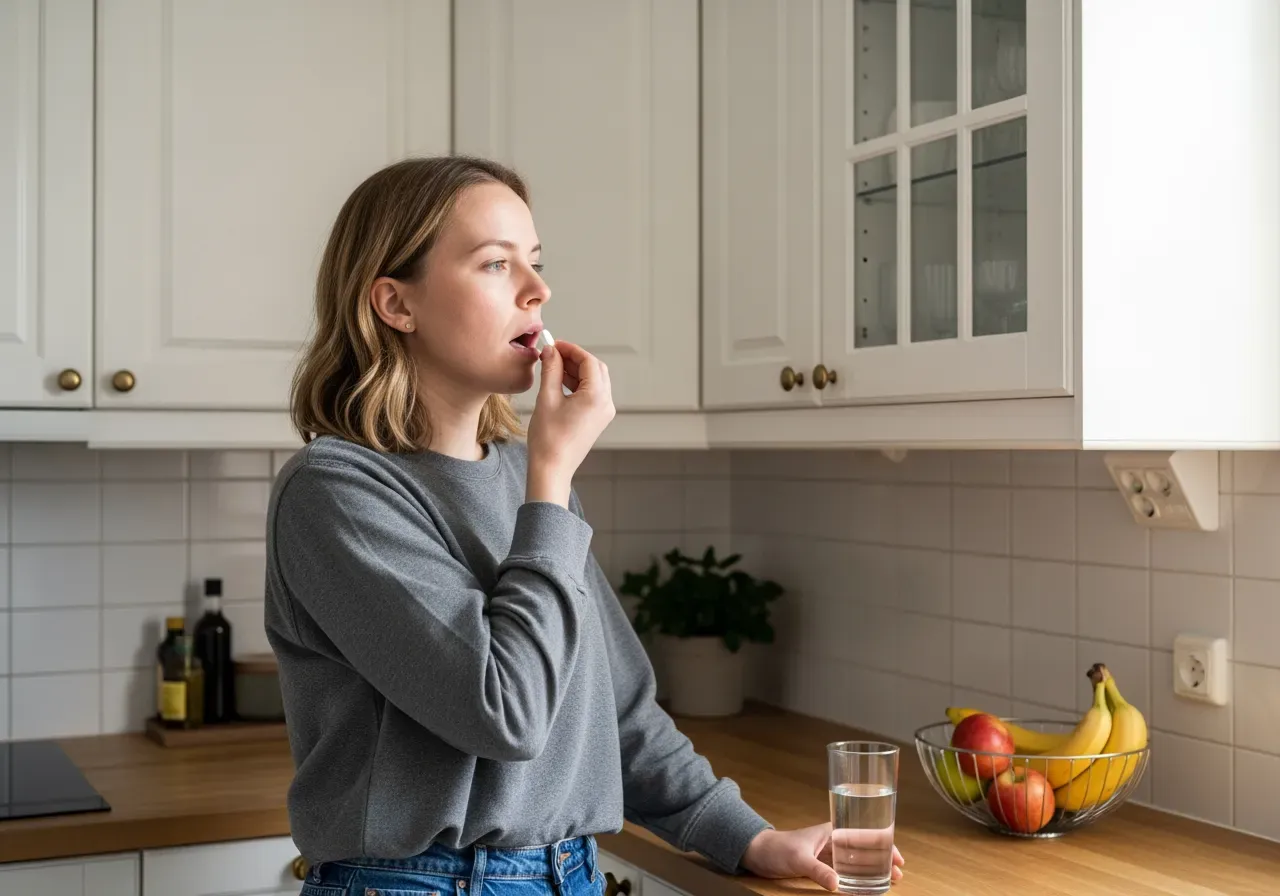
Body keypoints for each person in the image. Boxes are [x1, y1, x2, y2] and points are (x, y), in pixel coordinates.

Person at [265, 155, 905, 896]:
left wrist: (749, 838)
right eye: (495, 264)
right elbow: (504, 713)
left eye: (534, 263)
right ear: (394, 304)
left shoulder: (523, 475)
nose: (538, 291)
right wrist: (551, 481)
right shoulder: (337, 492)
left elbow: (615, 707)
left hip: (569, 873)